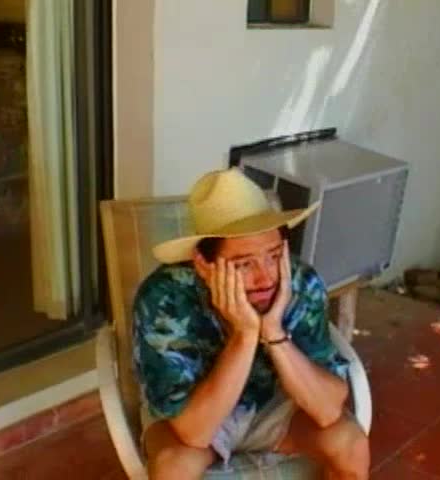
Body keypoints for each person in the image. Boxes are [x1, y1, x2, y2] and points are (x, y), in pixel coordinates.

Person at [132, 167, 370, 479]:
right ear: (202, 264)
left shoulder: (299, 282)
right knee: (172, 467)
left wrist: (273, 332)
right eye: (244, 264)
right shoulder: (165, 297)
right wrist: (244, 335)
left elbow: (328, 410)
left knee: (350, 444)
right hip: (198, 411)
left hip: (277, 406)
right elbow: (194, 433)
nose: (265, 277)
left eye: (273, 256)